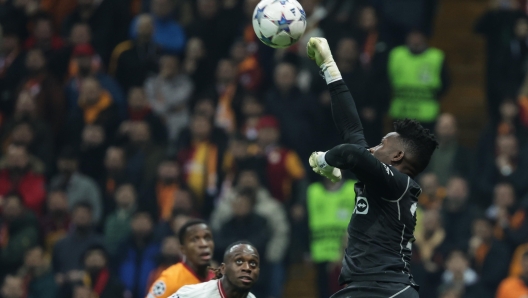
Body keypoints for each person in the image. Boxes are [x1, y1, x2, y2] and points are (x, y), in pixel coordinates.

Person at [306, 37, 439, 297]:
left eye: (381, 144)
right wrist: (328, 66)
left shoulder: (399, 185)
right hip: (365, 288)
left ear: (397, 156)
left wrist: (324, 161)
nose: (373, 148)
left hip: (387, 290)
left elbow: (350, 153)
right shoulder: (384, 181)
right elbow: (352, 132)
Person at [306, 178, 356, 298]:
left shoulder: (353, 188)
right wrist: (306, 251)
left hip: (349, 257)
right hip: (320, 254)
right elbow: (304, 223)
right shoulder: (313, 191)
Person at [147, 220, 215, 298]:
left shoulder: (218, 280)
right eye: (194, 239)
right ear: (183, 249)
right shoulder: (171, 279)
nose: (203, 244)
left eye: (207, 238)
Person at [171, 242, 259, 298]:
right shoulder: (192, 294)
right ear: (223, 269)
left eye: (253, 263)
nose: (247, 268)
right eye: (239, 261)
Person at [114, 212, 159, 298]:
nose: (141, 224)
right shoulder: (123, 247)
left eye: (144, 220)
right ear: (131, 223)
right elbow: (115, 271)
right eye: (138, 220)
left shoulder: (158, 247)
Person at [0, 194, 39, 279]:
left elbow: (12, 256)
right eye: (8, 208)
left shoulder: (29, 229)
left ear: (21, 209)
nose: (10, 212)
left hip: (18, 276)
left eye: (13, 208)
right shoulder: (3, 225)